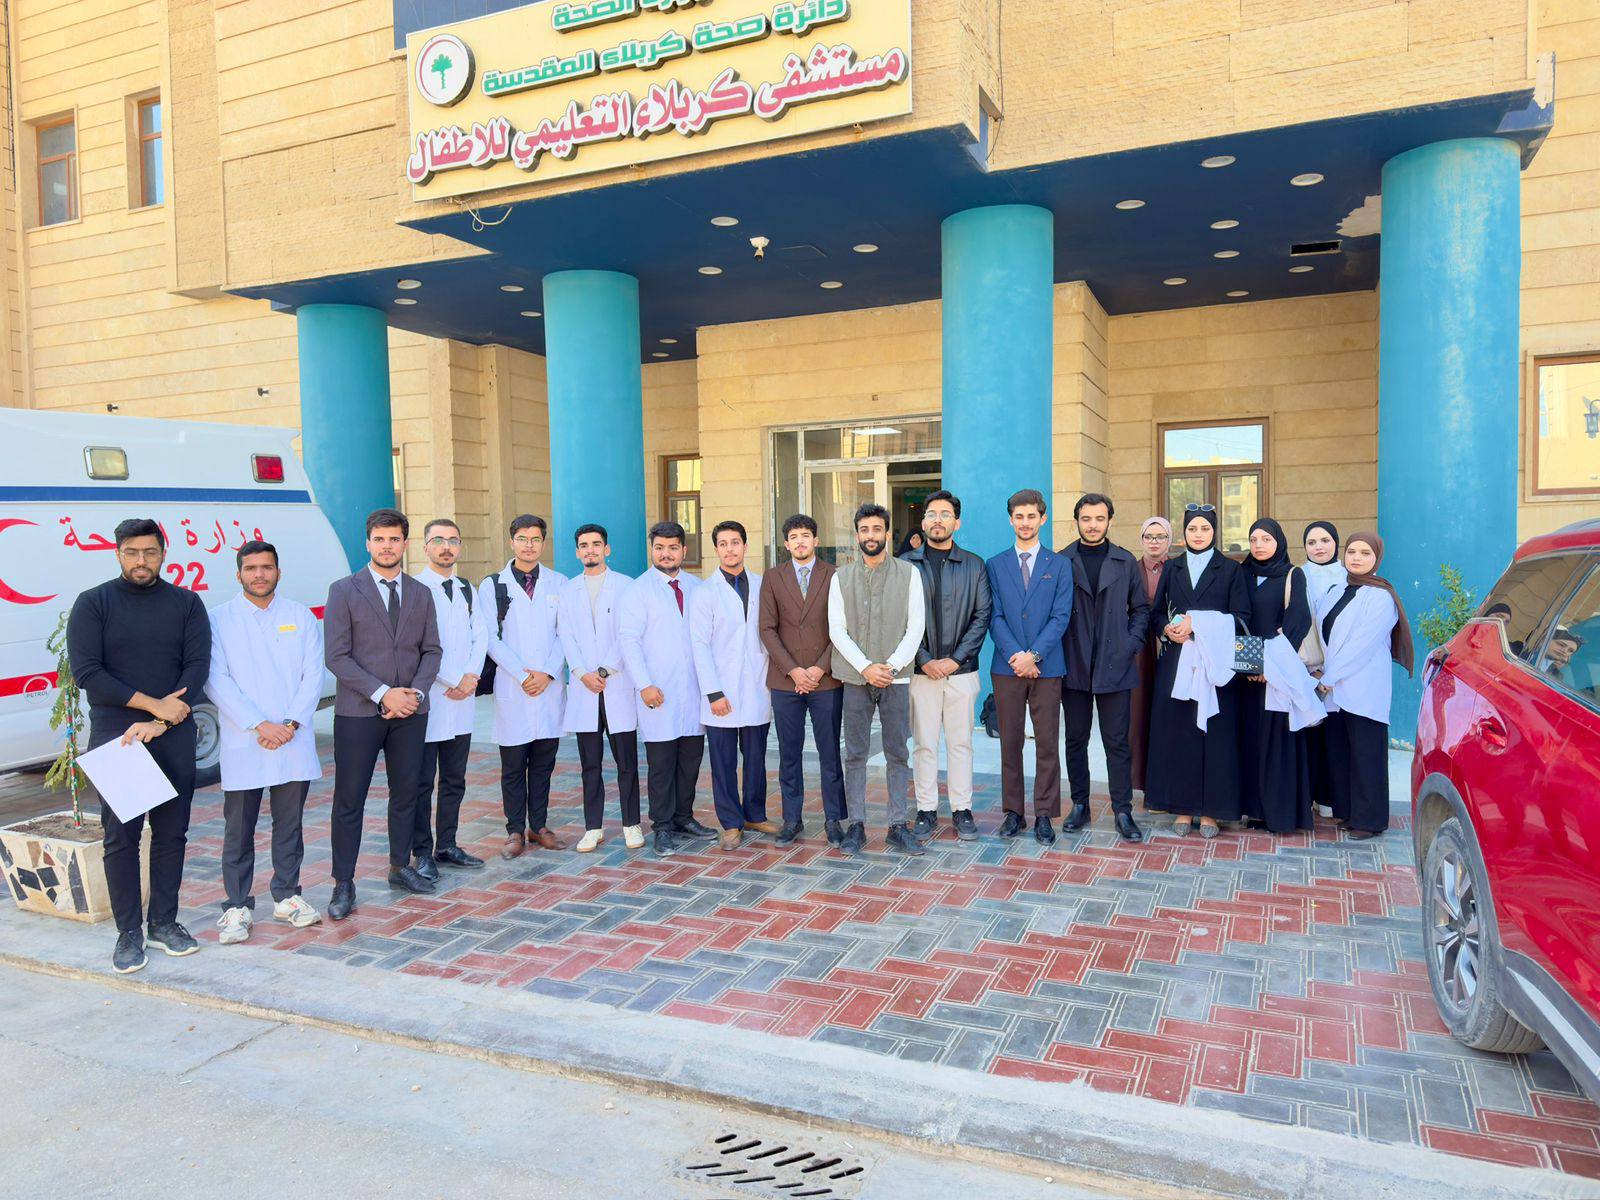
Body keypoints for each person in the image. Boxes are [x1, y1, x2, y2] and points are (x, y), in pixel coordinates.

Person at [67, 517, 210, 973]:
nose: (141, 560)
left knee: (172, 833)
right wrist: (152, 708)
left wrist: (160, 722)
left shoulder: (186, 603)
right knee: (121, 838)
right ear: (118, 554)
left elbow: (197, 668)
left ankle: (163, 923)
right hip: (119, 737)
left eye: (150, 552)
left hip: (173, 734)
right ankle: (128, 932)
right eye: (132, 552)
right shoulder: (94, 603)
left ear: (163, 554)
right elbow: (88, 674)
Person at [324, 508, 442, 918]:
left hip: (410, 711)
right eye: (379, 539)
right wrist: (383, 694)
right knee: (349, 799)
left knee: (407, 793)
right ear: (368, 543)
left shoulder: (421, 593)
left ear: (405, 544)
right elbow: (336, 656)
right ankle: (343, 882)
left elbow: (432, 650)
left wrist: (415, 694)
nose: (387, 546)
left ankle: (399, 866)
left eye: (394, 539)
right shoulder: (344, 590)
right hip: (358, 713)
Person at [206, 540, 324, 945]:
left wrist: (288, 724)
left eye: (266, 567)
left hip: (292, 737)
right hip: (246, 740)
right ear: (238, 574)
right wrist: (260, 725)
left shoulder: (300, 616)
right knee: (239, 827)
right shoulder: (219, 620)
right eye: (251, 568)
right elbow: (216, 680)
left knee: (290, 824)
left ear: (278, 571)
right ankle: (237, 905)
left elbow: (314, 675)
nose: (259, 574)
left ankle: (287, 895)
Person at [827, 502, 927, 856]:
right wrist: (866, 667)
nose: (870, 536)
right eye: (864, 530)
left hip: (895, 680)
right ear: (857, 535)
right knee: (855, 753)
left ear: (887, 532)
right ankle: (856, 824)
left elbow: (916, 626)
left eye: (876, 529)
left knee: (897, 753)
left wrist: (892, 668)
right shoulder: (841, 578)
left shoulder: (909, 574)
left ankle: (897, 826)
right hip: (855, 679)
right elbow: (837, 629)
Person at [1144, 505, 1250, 838]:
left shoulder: (1231, 569)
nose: (1198, 534)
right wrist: (1166, 629)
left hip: (1215, 666)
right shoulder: (1172, 567)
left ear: (1214, 532)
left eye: (1205, 528)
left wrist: (1198, 624)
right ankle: (1182, 807)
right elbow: (1156, 613)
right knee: (1180, 733)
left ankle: (1211, 812)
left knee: (1215, 736)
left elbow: (1242, 617)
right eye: (1192, 529)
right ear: (1184, 532)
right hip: (1178, 662)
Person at [619, 520, 716, 856]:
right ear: (652, 550)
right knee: (661, 764)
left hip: (693, 689)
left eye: (673, 548)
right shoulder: (637, 591)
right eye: (659, 548)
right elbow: (628, 641)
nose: (666, 554)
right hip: (657, 690)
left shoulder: (698, 587)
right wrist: (644, 684)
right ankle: (662, 827)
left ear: (684, 550)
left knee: (690, 759)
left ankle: (683, 817)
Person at [1058, 493, 1148, 842]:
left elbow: (1140, 609)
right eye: (1086, 519)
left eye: (1099, 518)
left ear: (1109, 520)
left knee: (1117, 742)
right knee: (1075, 739)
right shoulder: (1062, 560)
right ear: (1077, 521)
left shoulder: (1125, 562)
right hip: (1074, 662)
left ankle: (1122, 810)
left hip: (1116, 664)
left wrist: (1130, 644)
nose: (1093, 525)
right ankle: (1080, 805)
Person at [902, 490, 991, 842]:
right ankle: (926, 809)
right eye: (931, 514)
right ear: (923, 522)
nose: (937, 520)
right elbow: (900, 619)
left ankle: (961, 809)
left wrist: (954, 660)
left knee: (960, 744)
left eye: (945, 514)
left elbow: (982, 616)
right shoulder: (906, 564)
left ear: (957, 522)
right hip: (921, 673)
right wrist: (924, 659)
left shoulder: (974, 565)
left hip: (962, 672)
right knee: (924, 744)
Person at [985, 489, 1073, 843]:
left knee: (1047, 742)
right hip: (1007, 667)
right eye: (1019, 516)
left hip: (1047, 667)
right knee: (1010, 742)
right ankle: (1014, 813)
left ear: (1042, 519)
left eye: (1031, 516)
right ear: (1011, 520)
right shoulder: (995, 565)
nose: (1025, 522)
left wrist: (1033, 655)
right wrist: (1016, 656)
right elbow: (994, 616)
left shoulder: (1060, 565)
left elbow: (1061, 616)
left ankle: (1045, 814)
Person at [481, 514, 569, 860]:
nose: (529, 545)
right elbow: (490, 638)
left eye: (535, 539)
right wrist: (522, 675)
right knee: (514, 765)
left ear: (543, 543)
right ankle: (515, 830)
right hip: (513, 686)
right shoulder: (493, 586)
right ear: (511, 541)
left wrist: (547, 674)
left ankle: (540, 826)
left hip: (548, 687)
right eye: (522, 538)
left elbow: (566, 633)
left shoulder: (559, 583)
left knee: (544, 764)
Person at [1317, 531, 1413, 840]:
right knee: (1342, 751)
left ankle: (1370, 820)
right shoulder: (1336, 590)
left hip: (1363, 685)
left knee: (1366, 753)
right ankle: (1349, 813)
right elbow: (1324, 636)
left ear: (1377, 558)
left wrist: (1328, 678)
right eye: (1352, 551)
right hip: (1334, 687)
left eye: (1365, 553)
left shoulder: (1381, 596)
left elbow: (1361, 645)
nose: (1357, 557)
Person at [758, 513, 846, 846]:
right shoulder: (773, 577)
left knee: (829, 752)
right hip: (786, 682)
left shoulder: (834, 575)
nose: (800, 541)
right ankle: (792, 819)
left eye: (805, 535)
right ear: (786, 543)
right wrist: (794, 670)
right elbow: (767, 628)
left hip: (826, 680)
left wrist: (819, 668)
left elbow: (842, 627)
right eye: (794, 536)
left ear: (816, 540)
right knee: (789, 753)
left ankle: (834, 819)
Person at [691, 520, 777, 850]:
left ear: (745, 546)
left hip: (756, 686)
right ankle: (730, 822)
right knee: (723, 761)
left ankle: (754, 814)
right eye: (723, 544)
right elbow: (699, 645)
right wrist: (713, 692)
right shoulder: (704, 592)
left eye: (735, 542)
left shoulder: (762, 585)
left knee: (755, 758)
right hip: (720, 690)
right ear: (716, 549)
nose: (730, 549)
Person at [557, 524, 643, 853]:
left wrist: (605, 669)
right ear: (577, 552)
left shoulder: (627, 586)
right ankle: (593, 827)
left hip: (616, 682)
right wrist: (581, 673)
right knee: (590, 765)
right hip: (585, 687)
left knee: (627, 763)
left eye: (596, 544)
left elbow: (628, 634)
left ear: (607, 549)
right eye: (584, 545)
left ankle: (631, 824)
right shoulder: (568, 590)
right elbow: (566, 635)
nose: (590, 550)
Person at [412, 518, 488, 877]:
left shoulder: (467, 589)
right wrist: (454, 679)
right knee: (422, 782)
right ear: (425, 546)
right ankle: (422, 852)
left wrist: (470, 678)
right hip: (431, 697)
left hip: (462, 699)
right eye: (439, 540)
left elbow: (480, 635)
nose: (446, 547)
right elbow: (419, 645)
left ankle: (447, 844)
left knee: (455, 779)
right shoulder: (414, 589)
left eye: (453, 541)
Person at [1237, 519, 1315, 834]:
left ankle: (1280, 815)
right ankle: (1254, 811)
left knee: (1278, 742)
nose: (1258, 545)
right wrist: (1251, 666)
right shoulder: (1242, 573)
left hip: (1278, 674)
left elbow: (1298, 621)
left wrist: (1267, 667)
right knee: (1251, 740)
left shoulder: (1292, 575)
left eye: (1265, 539)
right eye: (1253, 539)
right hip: (1246, 675)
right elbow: (1237, 619)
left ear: (1279, 541)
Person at [1299, 520, 1344, 819]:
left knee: (1336, 736)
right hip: (1309, 668)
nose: (1318, 547)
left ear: (1336, 543)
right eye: (1312, 542)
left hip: (1341, 671)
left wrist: (1333, 671)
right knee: (1309, 734)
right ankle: (1308, 795)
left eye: (1325, 541)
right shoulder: (1298, 576)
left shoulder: (1349, 576)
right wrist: (1313, 669)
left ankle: (1330, 796)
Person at [1129, 516, 1170, 805]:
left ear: (1169, 540)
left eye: (1160, 536)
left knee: (1168, 716)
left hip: (1170, 646)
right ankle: (1141, 782)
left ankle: (1166, 783)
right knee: (1139, 715)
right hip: (1139, 651)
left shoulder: (1177, 569)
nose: (1154, 542)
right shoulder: (1130, 569)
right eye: (1148, 536)